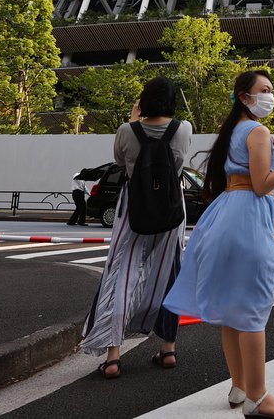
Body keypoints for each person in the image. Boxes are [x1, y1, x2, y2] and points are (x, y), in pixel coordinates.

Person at [164, 70, 274, 417]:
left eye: (271, 90)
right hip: (247, 221)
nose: (270, 95)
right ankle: (258, 397)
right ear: (244, 96)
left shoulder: (238, 131)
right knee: (253, 309)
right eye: (264, 90)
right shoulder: (257, 130)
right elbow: (262, 184)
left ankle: (239, 385)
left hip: (223, 216)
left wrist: (267, 145)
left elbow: (243, 169)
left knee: (231, 310)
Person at [81, 76, 192, 378]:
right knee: (169, 273)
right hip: (171, 208)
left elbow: (119, 160)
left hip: (133, 207)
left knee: (122, 274)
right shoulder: (183, 129)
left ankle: (113, 355)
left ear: (143, 101)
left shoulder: (126, 131)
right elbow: (180, 163)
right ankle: (168, 348)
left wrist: (132, 121)